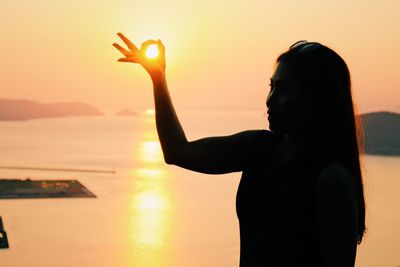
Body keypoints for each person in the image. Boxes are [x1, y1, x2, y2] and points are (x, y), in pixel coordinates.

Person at [113, 34, 366, 267]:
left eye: (285, 90)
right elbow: (178, 151)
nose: (270, 100)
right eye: (272, 87)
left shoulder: (332, 180)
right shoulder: (258, 149)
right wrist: (158, 77)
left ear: (317, 100)